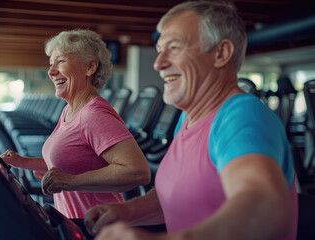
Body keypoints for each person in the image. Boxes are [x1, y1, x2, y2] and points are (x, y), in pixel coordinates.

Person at [84, 1, 298, 240]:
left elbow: (264, 210)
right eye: (159, 50)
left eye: (174, 48)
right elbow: (182, 192)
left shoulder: (241, 116)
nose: (159, 63)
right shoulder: (188, 118)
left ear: (221, 53)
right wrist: (127, 211)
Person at [1, 29, 151, 219]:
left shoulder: (94, 115)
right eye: (51, 64)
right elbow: (72, 163)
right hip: (75, 223)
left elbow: (138, 172)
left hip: (96, 227)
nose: (51, 71)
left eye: (61, 61)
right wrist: (23, 162)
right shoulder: (69, 110)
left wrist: (71, 181)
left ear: (90, 67)